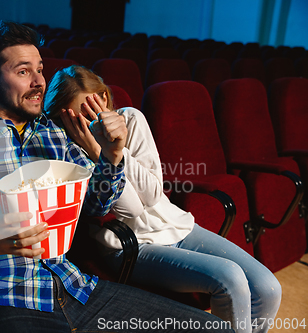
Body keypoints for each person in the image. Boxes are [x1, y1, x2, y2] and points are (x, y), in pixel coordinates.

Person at [0, 21, 233, 332]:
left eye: (40, 69)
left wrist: (111, 155)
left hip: (76, 286)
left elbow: (96, 203)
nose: (39, 81)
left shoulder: (54, 134)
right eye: (23, 71)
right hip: (6, 294)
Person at [44, 65, 282, 333]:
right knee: (231, 279)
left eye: (96, 110)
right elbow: (133, 209)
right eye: (83, 117)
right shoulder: (69, 149)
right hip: (128, 245)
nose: (94, 122)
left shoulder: (131, 119)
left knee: (268, 288)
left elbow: (154, 193)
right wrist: (103, 152)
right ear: (65, 119)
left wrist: (118, 148)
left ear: (106, 100)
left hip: (174, 224)